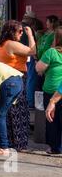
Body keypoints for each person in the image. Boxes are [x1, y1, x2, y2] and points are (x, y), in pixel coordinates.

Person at [0, 20, 35, 151]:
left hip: (7, 77)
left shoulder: (2, 44)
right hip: (16, 77)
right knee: (17, 111)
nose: (21, 33)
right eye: (19, 31)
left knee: (9, 111)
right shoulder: (11, 44)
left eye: (23, 31)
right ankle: (17, 143)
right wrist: (30, 35)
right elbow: (32, 51)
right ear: (12, 32)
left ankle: (8, 141)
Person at [36, 26, 62, 154]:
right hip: (59, 90)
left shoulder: (51, 52)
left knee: (52, 119)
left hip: (52, 90)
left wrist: (44, 70)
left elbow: (38, 68)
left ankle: (55, 147)